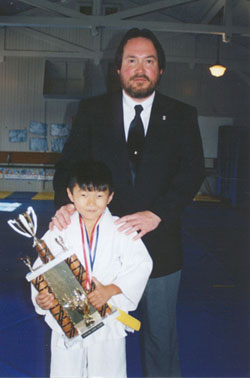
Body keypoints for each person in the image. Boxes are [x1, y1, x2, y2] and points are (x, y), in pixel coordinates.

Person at [51, 28, 204, 377]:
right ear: (118, 69)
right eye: (131, 61)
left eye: (149, 61)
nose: (140, 68)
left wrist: (158, 214)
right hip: (99, 253)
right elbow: (68, 167)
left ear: (160, 69)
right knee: (94, 336)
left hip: (161, 250)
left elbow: (192, 172)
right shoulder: (91, 112)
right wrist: (66, 203)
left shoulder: (182, 115)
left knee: (160, 340)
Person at [32, 160, 152, 378]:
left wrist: (111, 289)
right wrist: (42, 297)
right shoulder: (60, 229)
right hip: (67, 316)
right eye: (84, 195)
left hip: (106, 314)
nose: (91, 203)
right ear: (70, 195)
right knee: (65, 371)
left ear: (110, 196)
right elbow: (41, 269)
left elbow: (142, 264)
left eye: (99, 195)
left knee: (108, 371)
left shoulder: (120, 229)